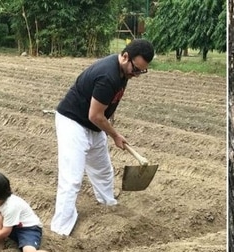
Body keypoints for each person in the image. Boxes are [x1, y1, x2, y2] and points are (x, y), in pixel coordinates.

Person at [50, 39, 155, 236]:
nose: (137, 75)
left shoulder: (124, 72)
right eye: (137, 69)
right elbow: (96, 115)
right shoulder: (108, 76)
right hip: (73, 123)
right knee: (72, 178)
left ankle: (108, 206)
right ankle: (59, 231)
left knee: (103, 170)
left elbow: (106, 109)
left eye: (142, 71)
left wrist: (110, 128)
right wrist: (115, 135)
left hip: (93, 126)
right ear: (125, 56)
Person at [0, 170, 67, 252]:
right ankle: (0, 246)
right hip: (14, 226)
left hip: (28, 229)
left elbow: (6, 232)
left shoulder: (11, 206)